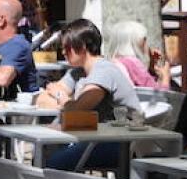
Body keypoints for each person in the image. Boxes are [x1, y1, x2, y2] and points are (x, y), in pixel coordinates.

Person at [40, 19, 145, 170]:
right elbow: (42, 99)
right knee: (43, 153)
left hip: (118, 142)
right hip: (89, 136)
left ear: (82, 47)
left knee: (53, 163)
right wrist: (63, 100)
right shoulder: (77, 71)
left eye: (67, 48)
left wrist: (61, 98)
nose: (63, 52)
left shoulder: (104, 70)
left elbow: (77, 109)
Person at [105, 20, 171, 89]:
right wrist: (166, 76)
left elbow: (144, 84)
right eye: (144, 39)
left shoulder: (115, 61)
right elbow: (156, 94)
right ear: (135, 41)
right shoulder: (132, 63)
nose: (146, 43)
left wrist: (152, 66)